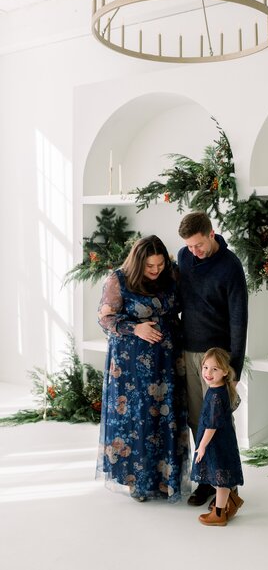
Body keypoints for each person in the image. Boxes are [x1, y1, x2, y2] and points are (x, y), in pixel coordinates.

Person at [96, 235, 190, 502]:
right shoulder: (119, 280)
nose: (155, 270)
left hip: (168, 361)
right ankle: (137, 480)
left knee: (165, 418)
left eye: (160, 264)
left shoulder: (171, 274)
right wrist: (135, 328)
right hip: (132, 366)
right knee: (139, 421)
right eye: (150, 266)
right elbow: (105, 318)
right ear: (138, 263)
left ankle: (164, 480)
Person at [178, 211, 248, 506]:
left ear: (211, 233)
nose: (194, 251)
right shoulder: (183, 257)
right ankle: (207, 480)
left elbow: (239, 320)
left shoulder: (230, 267)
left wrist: (235, 368)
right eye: (189, 246)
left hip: (217, 359)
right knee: (197, 419)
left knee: (219, 421)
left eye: (198, 245)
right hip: (189, 352)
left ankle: (228, 485)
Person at [191, 347, 244, 526]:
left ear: (225, 371)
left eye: (215, 369)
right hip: (221, 441)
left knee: (220, 479)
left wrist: (203, 445)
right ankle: (232, 503)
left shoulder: (216, 396)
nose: (208, 373)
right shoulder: (217, 389)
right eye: (206, 367)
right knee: (219, 476)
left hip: (217, 442)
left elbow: (212, 425)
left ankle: (219, 514)